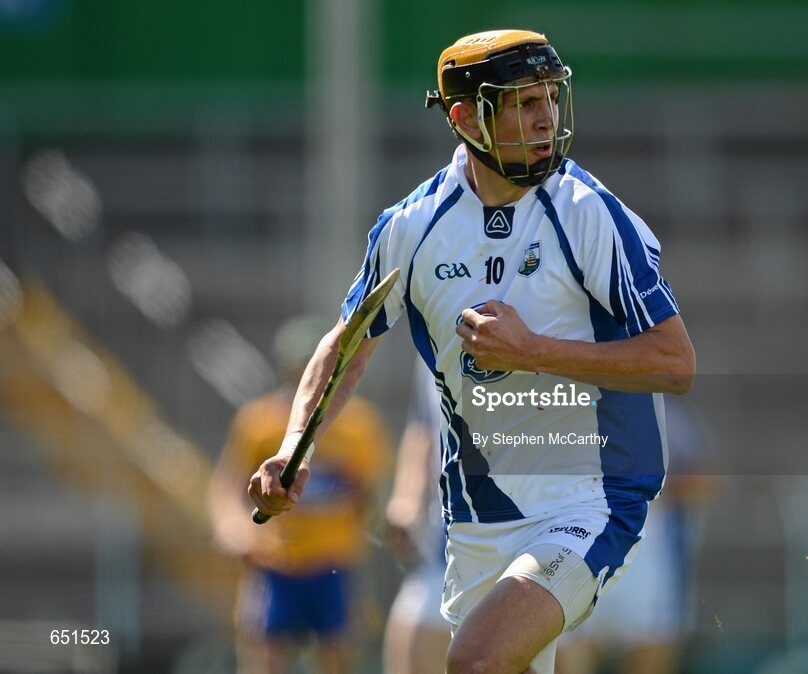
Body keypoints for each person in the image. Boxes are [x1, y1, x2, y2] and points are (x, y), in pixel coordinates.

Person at [249, 29, 696, 674]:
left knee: (477, 662)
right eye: (523, 103)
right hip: (475, 520)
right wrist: (296, 447)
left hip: (588, 499)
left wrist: (535, 350)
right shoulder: (411, 228)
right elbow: (346, 345)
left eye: (550, 97)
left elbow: (674, 363)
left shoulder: (589, 213)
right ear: (467, 119)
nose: (547, 118)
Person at [208, 316, 391, 674]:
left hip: (332, 561)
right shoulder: (258, 421)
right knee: (265, 656)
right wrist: (233, 528)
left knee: (338, 658)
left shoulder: (358, 425)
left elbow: (368, 495)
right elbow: (226, 488)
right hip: (274, 563)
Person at [555, 398, 715, 674]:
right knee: (569, 653)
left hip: (647, 559)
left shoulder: (667, 414)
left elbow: (702, 484)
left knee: (649, 649)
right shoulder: (561, 405)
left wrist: (639, 487)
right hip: (576, 552)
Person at [381, 361, 452, 674]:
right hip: (450, 534)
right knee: (411, 625)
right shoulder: (429, 333)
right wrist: (406, 500)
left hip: (546, 532)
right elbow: (424, 425)